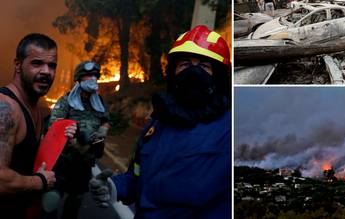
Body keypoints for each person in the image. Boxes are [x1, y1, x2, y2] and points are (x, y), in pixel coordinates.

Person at [89, 25, 231, 219]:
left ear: (219, 78)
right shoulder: (156, 125)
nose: (194, 73)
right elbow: (138, 177)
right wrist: (114, 186)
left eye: (204, 66)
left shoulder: (229, 128)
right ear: (173, 73)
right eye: (185, 65)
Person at [0, 33, 76, 219]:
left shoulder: (38, 110)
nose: (46, 71)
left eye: (52, 65)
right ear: (18, 65)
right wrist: (40, 181)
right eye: (37, 63)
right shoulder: (6, 108)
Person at [41, 61, 111, 219]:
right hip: (64, 161)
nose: (93, 79)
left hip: (84, 163)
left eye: (95, 76)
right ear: (79, 79)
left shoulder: (99, 102)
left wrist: (103, 130)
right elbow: (54, 125)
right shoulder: (66, 101)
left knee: (75, 201)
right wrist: (71, 134)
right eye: (89, 76)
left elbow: (106, 119)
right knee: (51, 200)